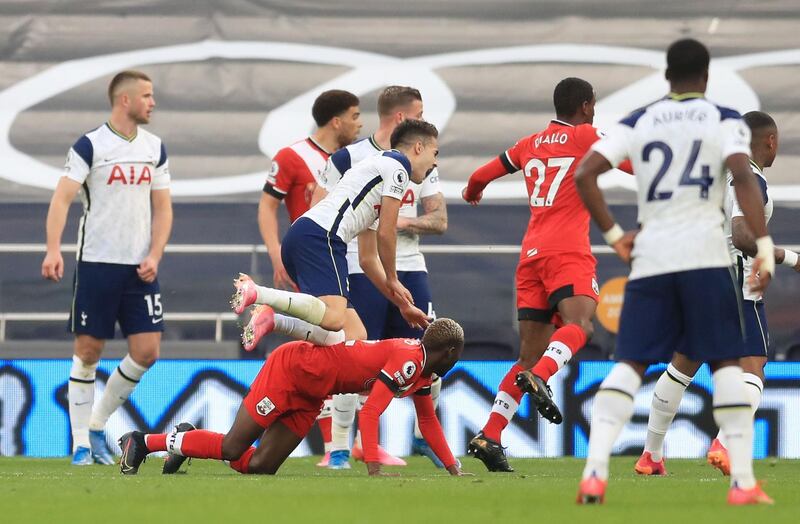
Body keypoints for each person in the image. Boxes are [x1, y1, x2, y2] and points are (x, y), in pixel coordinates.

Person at [573, 39, 774, 505]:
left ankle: (595, 472)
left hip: (652, 256)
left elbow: (586, 173)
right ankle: (742, 483)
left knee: (630, 364)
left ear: (666, 76)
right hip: (705, 256)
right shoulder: (724, 118)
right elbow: (743, 178)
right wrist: (763, 247)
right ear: (705, 77)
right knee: (727, 363)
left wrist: (614, 234)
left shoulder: (639, 119)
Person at [462, 78, 630, 472]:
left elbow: (483, 174)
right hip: (567, 251)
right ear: (587, 106)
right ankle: (540, 377)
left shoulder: (529, 143)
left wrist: (472, 191)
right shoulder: (587, 135)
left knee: (528, 355)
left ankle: (490, 434)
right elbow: (629, 162)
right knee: (581, 325)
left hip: (531, 256)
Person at [634, 111, 800, 477]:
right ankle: (725, 441)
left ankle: (651, 455)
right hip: (733, 281)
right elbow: (742, 235)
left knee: (683, 365)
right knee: (754, 367)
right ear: (770, 141)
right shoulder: (749, 177)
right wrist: (789, 258)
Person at [117, 318, 469, 477]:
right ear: (449, 351)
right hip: (291, 371)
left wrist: (453, 466)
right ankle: (144, 442)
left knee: (261, 468)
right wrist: (373, 462)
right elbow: (371, 412)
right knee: (231, 449)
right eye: (458, 354)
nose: (457, 359)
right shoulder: (410, 362)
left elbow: (427, 419)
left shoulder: (423, 370)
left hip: (314, 393)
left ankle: (185, 441)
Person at [41, 70, 173, 466]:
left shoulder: (155, 147)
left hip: (140, 268)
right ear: (125, 101)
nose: (153, 102)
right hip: (97, 262)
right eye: (147, 96)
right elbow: (62, 199)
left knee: (147, 351)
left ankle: (96, 425)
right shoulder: (90, 146)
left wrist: (155, 254)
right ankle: (81, 442)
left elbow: (163, 206)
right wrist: (53, 250)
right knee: (88, 350)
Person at [313, 86, 448, 469]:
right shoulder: (349, 157)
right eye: (420, 111)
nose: (425, 116)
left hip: (411, 267)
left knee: (429, 352)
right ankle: (339, 448)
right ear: (402, 118)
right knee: (354, 355)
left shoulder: (424, 160)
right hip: (361, 265)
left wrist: (396, 217)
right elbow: (318, 208)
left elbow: (440, 220)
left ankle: (425, 437)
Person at [257, 89, 361, 465]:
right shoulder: (291, 157)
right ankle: (337, 447)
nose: (359, 123)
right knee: (341, 340)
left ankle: (343, 444)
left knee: (342, 341)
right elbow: (267, 207)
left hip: (346, 257)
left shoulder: (355, 157)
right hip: (315, 257)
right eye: (354, 115)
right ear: (336, 120)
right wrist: (275, 252)